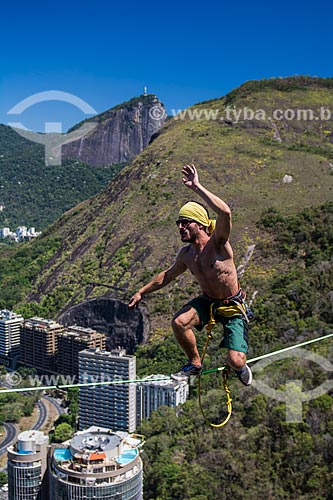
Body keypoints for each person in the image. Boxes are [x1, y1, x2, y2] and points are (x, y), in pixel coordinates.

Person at [128, 164, 252, 385]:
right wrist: (141, 292)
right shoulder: (187, 254)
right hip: (208, 302)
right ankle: (195, 363)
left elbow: (225, 213)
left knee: (235, 360)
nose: (180, 227)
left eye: (185, 222)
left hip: (232, 305)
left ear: (202, 225)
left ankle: (240, 367)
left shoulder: (219, 244)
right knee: (179, 322)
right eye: (178, 223)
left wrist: (197, 187)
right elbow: (167, 275)